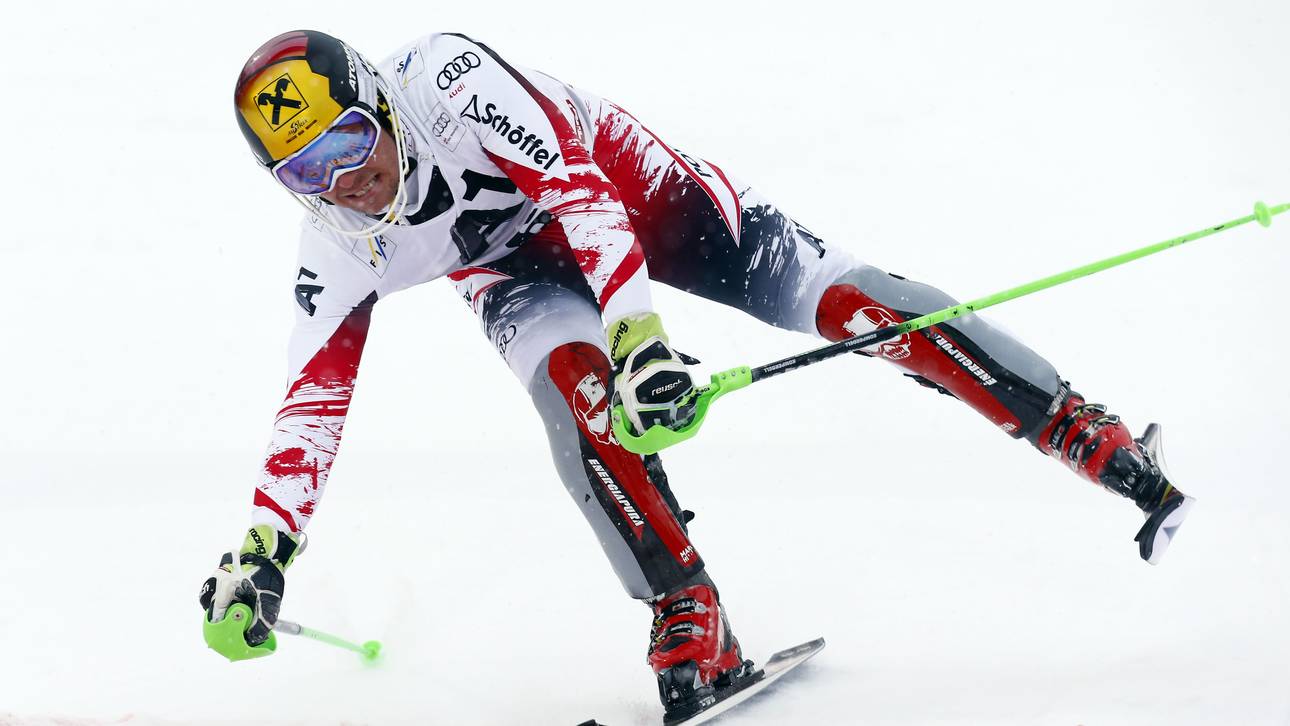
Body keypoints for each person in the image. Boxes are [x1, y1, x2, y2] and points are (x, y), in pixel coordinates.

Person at [199, 29, 1194, 720]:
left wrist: (641, 337)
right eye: (303, 172)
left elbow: (580, 190)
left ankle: (1080, 431)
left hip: (639, 201)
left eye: (350, 143)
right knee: (581, 412)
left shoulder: (450, 78)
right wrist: (264, 548)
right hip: (512, 276)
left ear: (380, 104)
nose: (345, 183)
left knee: (860, 310)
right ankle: (690, 617)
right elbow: (312, 399)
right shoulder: (335, 239)